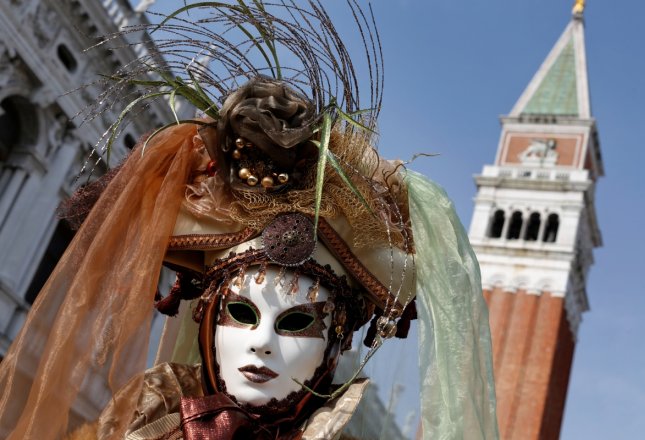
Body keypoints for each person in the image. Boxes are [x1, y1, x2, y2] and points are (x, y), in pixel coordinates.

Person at [0, 2, 499, 439]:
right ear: (207, 316)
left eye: (298, 323)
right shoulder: (137, 428)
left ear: (336, 342)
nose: (261, 343)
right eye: (240, 313)